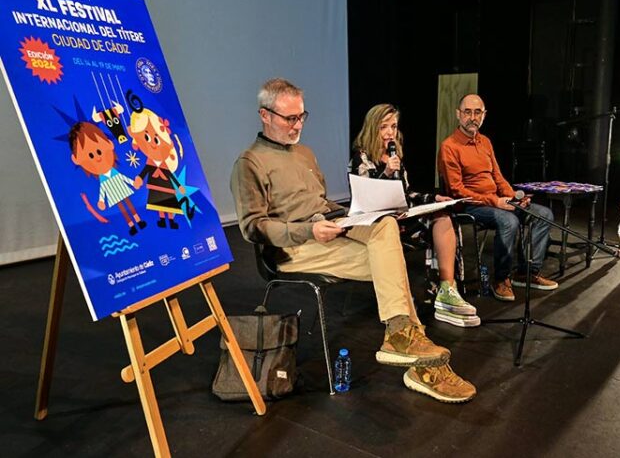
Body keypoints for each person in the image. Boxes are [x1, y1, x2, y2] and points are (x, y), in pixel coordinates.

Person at [230, 78, 475, 402]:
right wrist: (309, 230)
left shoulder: (304, 153)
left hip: (329, 228)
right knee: (392, 266)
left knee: (386, 225)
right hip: (295, 247)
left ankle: (400, 336)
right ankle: (421, 364)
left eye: (302, 116)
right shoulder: (250, 163)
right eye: (290, 118)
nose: (298, 125)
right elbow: (252, 228)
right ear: (265, 115)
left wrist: (355, 213)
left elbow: (319, 203)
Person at [351, 104, 480, 328]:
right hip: (378, 223)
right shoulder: (361, 158)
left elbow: (407, 193)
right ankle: (401, 302)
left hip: (401, 215)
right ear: (373, 128)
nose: (390, 132)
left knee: (442, 215)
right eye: (384, 127)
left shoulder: (394, 154)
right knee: (396, 223)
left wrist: (433, 198)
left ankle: (446, 290)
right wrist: (387, 173)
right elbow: (365, 198)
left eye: (393, 126)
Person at [438, 94, 558, 301]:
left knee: (543, 214)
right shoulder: (449, 146)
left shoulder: (485, 142)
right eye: (467, 112)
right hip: (469, 205)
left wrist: (513, 197)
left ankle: (527, 273)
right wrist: (496, 202)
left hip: (496, 201)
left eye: (477, 112)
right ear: (458, 115)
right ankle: (501, 279)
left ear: (484, 116)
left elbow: (498, 177)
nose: (472, 117)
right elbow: (457, 191)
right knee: (508, 220)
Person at [69, 121, 146, 235]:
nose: (97, 158)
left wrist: (133, 182)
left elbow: (123, 178)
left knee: (129, 204)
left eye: (99, 151)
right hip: (113, 193)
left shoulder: (114, 172)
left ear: (110, 144)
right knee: (122, 209)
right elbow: (103, 190)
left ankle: (138, 220)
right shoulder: (103, 179)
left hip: (122, 188)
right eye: (90, 155)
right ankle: (131, 224)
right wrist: (101, 201)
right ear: (76, 160)